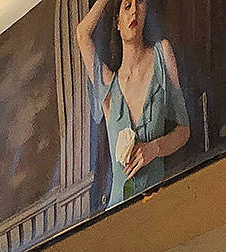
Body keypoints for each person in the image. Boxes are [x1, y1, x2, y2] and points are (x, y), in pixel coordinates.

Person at [75, 0, 191, 208]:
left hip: (157, 207)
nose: (134, 10)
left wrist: (154, 149)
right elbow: (82, 34)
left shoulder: (162, 54)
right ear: (117, 23)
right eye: (127, 6)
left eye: (139, 3)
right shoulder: (109, 89)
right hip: (117, 214)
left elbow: (184, 131)